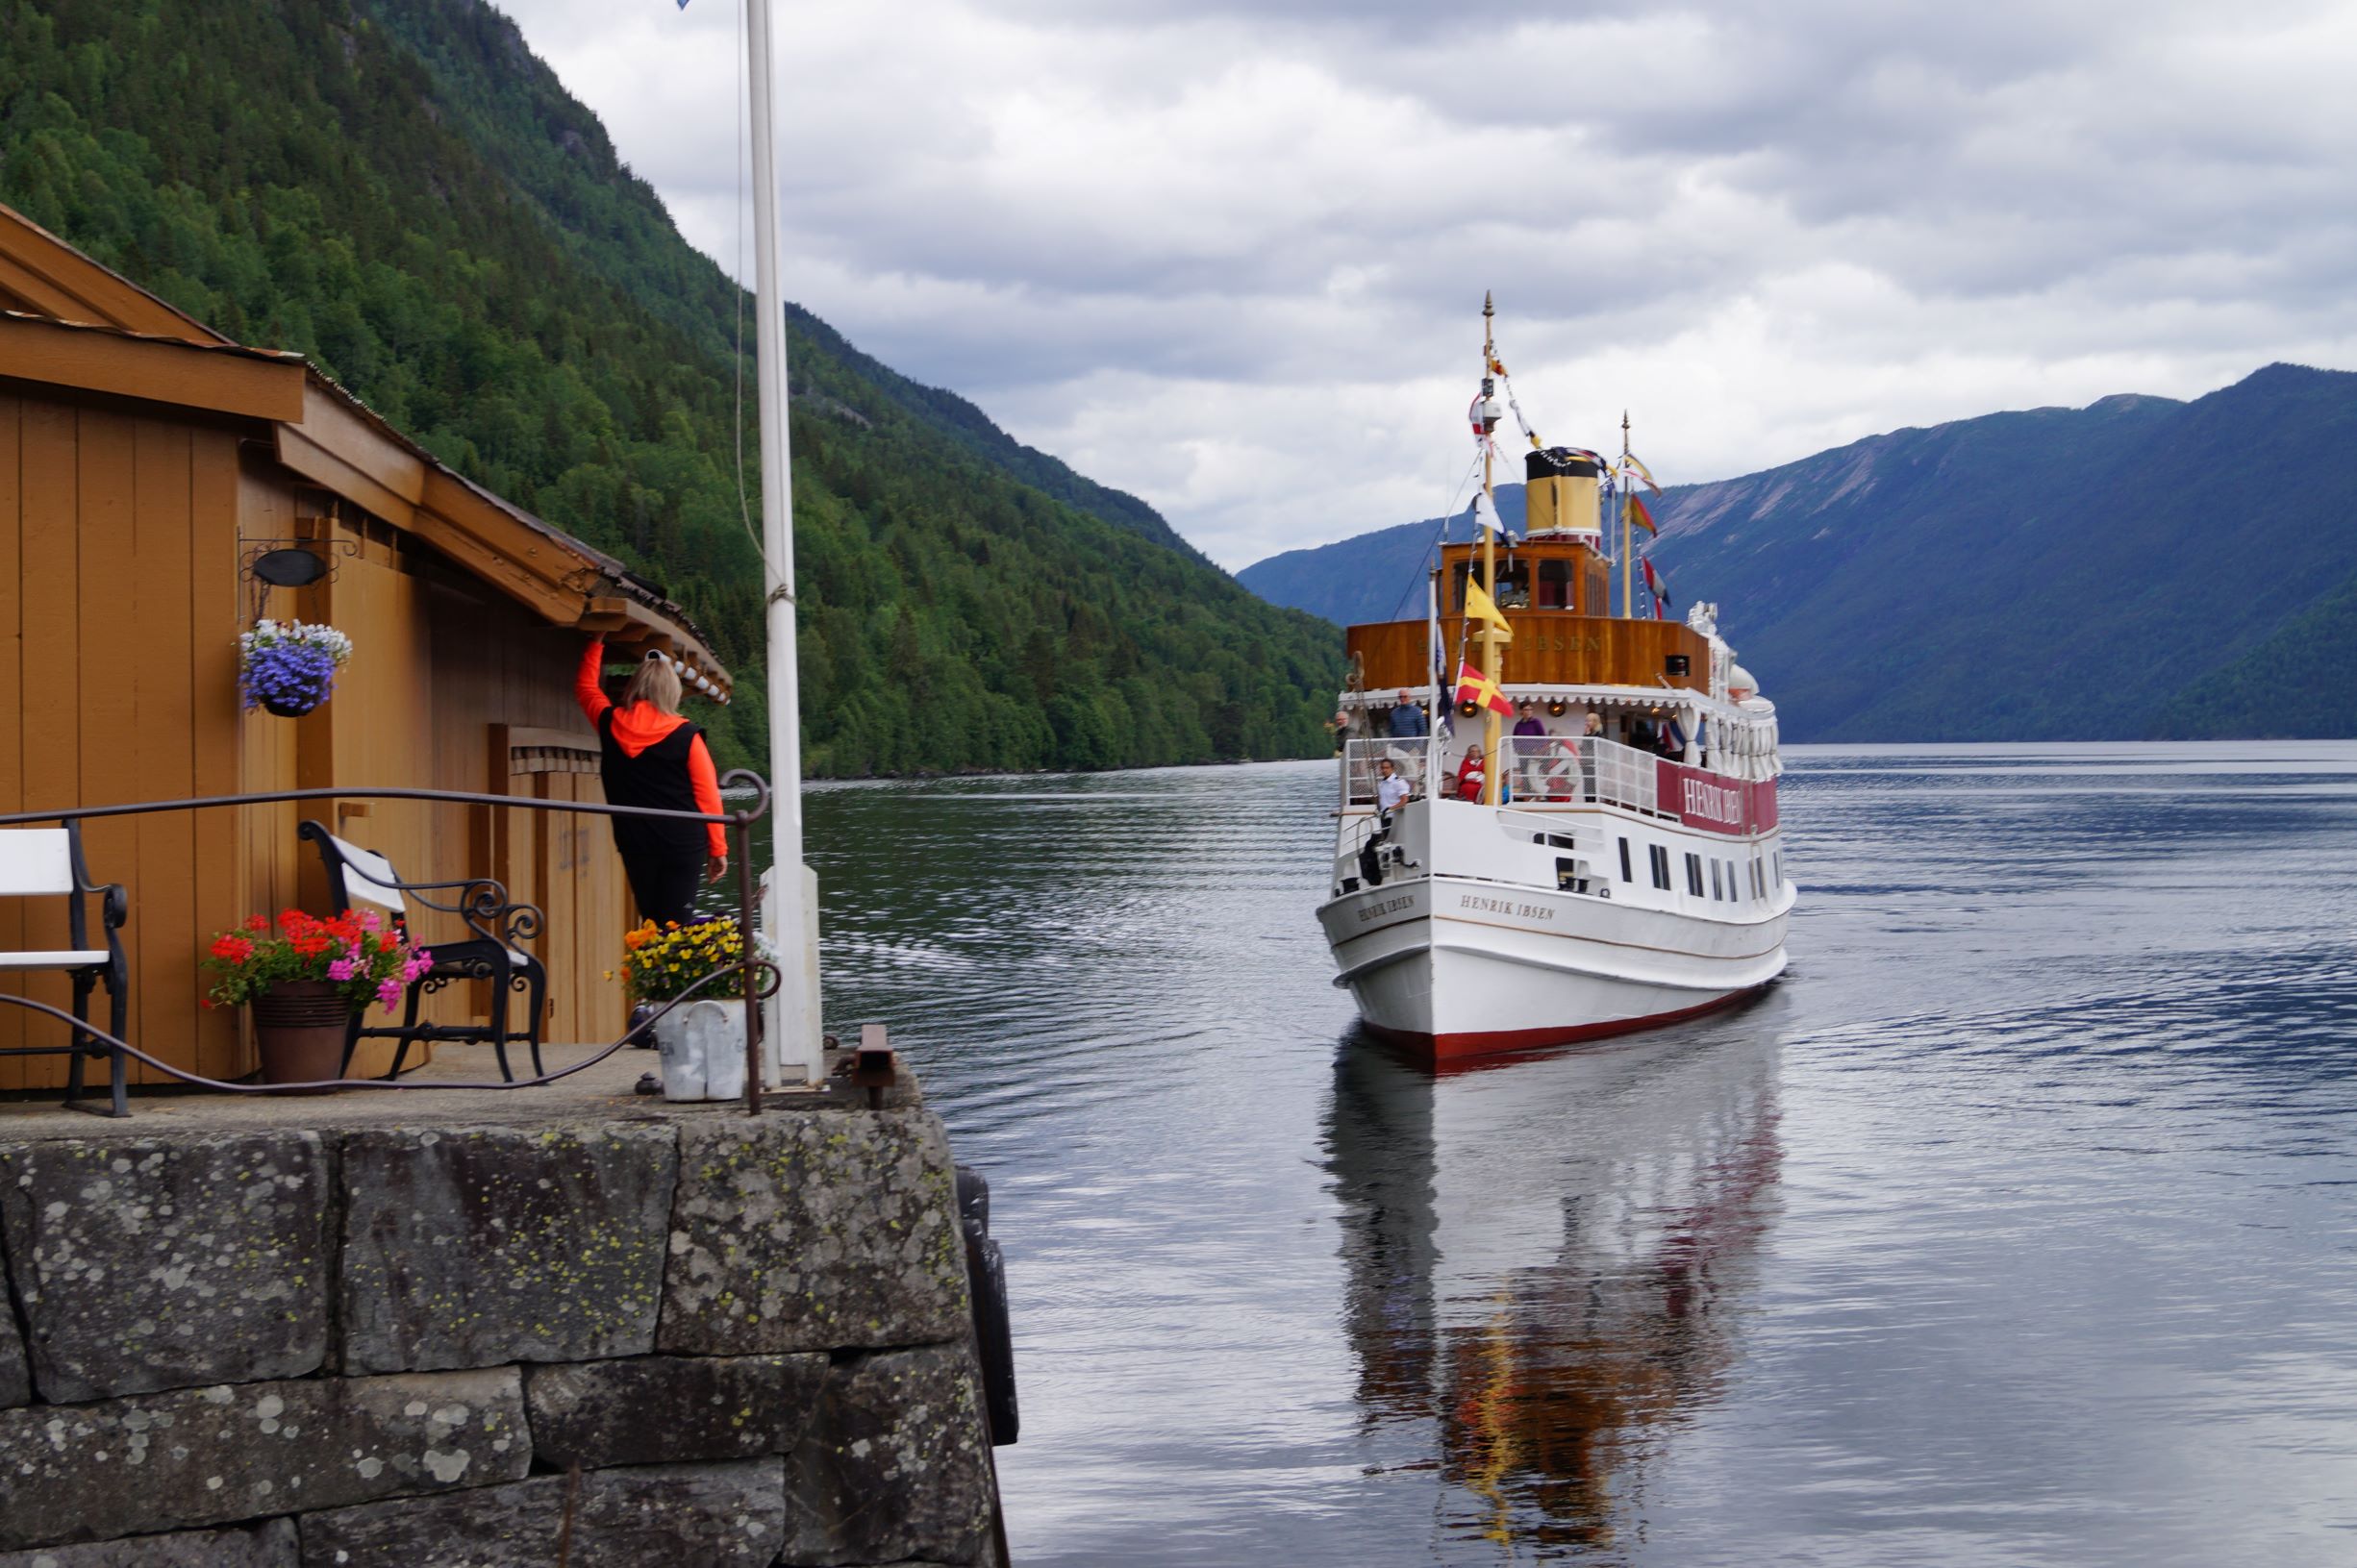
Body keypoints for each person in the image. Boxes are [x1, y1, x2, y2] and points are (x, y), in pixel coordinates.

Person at [574, 635, 728, 927]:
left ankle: (655, 967)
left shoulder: (610, 724)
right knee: (677, 925)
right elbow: (708, 797)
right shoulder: (688, 736)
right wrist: (718, 850)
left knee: (652, 923)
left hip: (636, 843)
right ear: (671, 692)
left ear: (635, 687)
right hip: (683, 844)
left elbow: (585, 688)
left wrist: (596, 640)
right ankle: (695, 957)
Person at [1512, 701, 1547, 794]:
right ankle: (1527, 790)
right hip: (1522, 752)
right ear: (1521, 712)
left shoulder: (1536, 722)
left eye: (1530, 709)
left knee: (1533, 772)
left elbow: (1543, 737)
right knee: (1524, 771)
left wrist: (1539, 750)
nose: (1528, 712)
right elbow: (1514, 738)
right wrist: (1517, 749)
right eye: (1526, 709)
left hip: (1534, 752)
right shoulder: (1518, 725)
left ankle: (1536, 790)